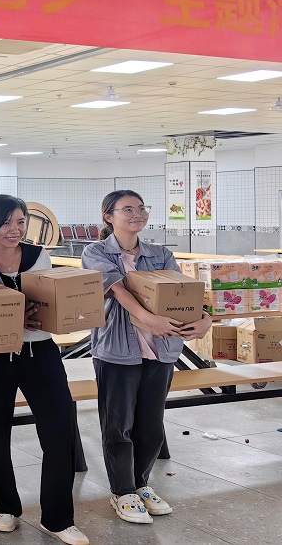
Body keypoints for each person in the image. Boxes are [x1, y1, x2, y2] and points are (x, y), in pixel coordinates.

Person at [81, 190, 212, 525]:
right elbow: (118, 291)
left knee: (152, 425)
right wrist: (149, 319)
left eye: (141, 208)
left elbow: (182, 294)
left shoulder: (160, 254)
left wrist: (204, 319)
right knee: (118, 426)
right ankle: (122, 491)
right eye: (127, 209)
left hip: (161, 350)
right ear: (108, 215)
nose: (137, 214)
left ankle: (141, 485)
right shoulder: (96, 252)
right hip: (117, 351)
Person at [0, 195, 89, 545]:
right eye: (6, 222)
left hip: (39, 351)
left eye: (21, 222)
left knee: (59, 430)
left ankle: (58, 518)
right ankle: (5, 507)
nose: (15, 230)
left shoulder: (36, 255)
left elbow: (47, 301)